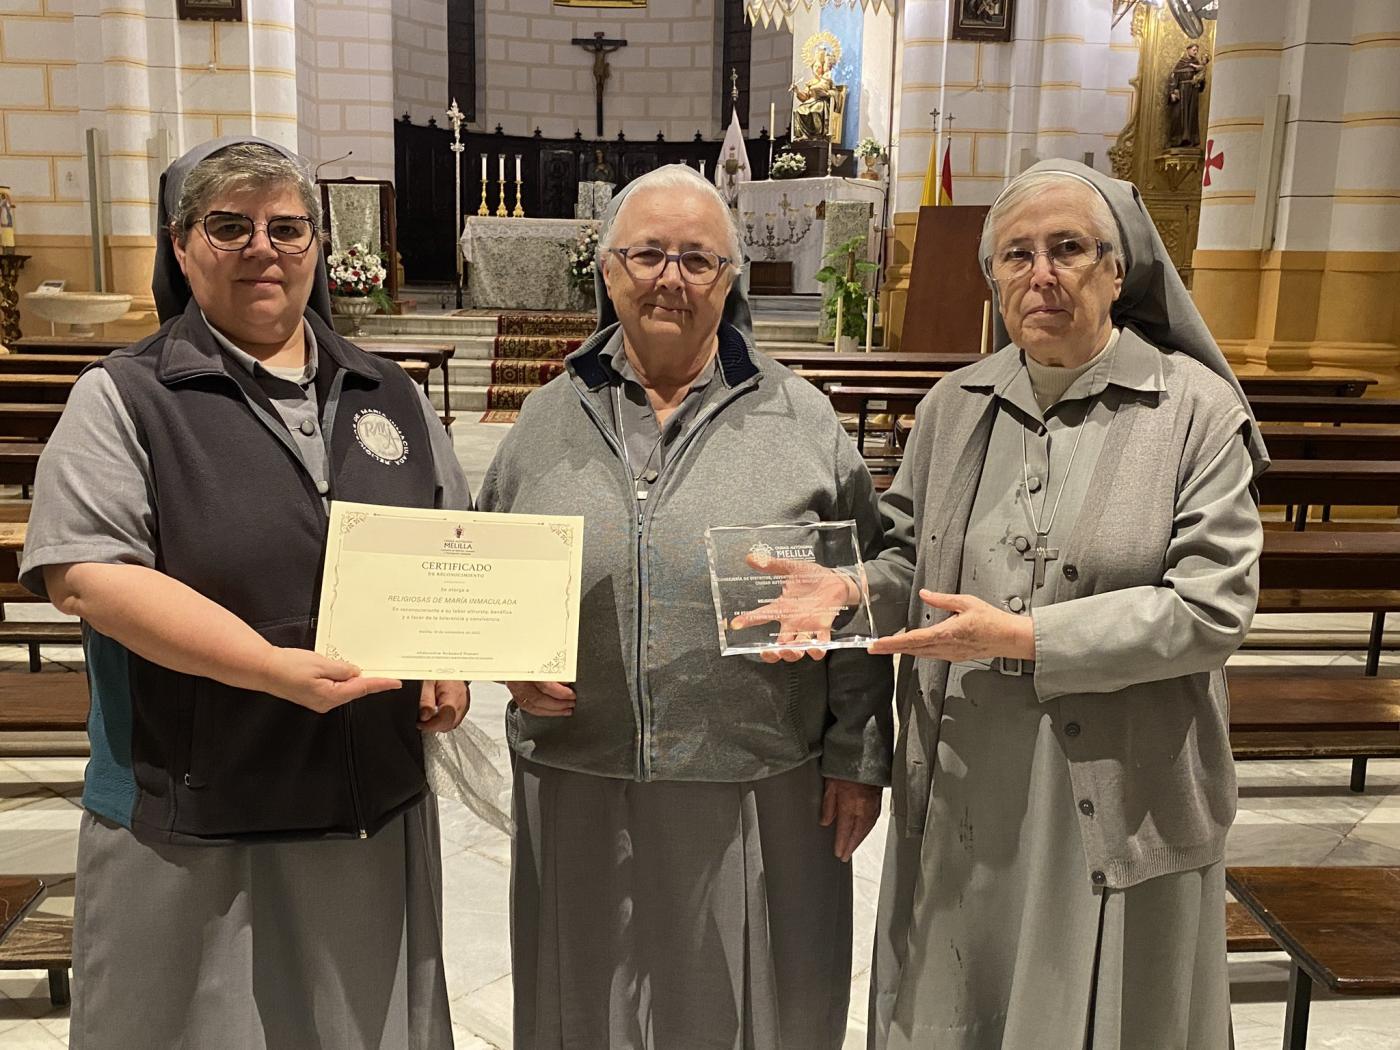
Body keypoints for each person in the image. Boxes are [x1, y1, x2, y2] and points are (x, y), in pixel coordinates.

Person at [19, 136, 470, 1049]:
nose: (263, 247)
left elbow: (451, 549)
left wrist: (450, 663)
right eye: (230, 227)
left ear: (317, 247)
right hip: (191, 809)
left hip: (361, 808)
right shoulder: (126, 396)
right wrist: (266, 668)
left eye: (286, 227)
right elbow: (91, 578)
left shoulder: (390, 394)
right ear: (182, 247)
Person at [475, 164, 893, 1050]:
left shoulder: (802, 419)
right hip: (577, 770)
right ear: (609, 269)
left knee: (749, 1011)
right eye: (649, 254)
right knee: (580, 1009)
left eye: (699, 259)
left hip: (757, 774)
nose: (672, 277)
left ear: (730, 279)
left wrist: (859, 752)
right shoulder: (546, 414)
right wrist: (507, 655)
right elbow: (485, 564)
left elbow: (857, 586)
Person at [861, 159, 1269, 1048]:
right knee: (967, 996)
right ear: (993, 278)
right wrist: (854, 587)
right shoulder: (950, 409)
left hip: (1122, 787)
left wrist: (1027, 636)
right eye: (1016, 255)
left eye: (1068, 249)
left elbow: (1214, 605)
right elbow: (905, 557)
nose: (1041, 274)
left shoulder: (1194, 411)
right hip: (971, 783)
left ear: (1117, 272)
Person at [1166, 43, 1210, 148]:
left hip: (1193, 93)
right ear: (1188, 50)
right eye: (1194, 50)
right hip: (1181, 92)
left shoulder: (1197, 64)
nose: (1195, 52)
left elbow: (1201, 81)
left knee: (1191, 115)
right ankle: (1177, 139)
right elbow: (1174, 78)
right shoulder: (1181, 63)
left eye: (1196, 51)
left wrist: (1200, 81)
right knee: (1178, 115)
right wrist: (1172, 91)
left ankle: (1190, 139)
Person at [792, 46, 838, 143]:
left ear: (822, 68)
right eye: (815, 67)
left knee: (815, 110)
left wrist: (826, 93)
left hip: (822, 102)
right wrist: (797, 91)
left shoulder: (827, 80)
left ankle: (818, 135)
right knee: (798, 110)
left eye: (819, 67)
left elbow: (835, 92)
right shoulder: (810, 82)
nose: (817, 69)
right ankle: (804, 135)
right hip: (810, 102)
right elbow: (805, 97)